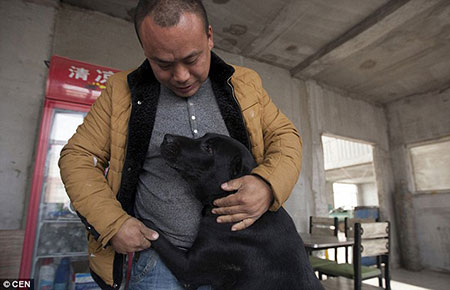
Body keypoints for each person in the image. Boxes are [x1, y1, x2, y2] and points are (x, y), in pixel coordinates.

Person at [59, 0, 302, 289]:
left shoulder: (245, 84)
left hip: (236, 267)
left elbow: (285, 137)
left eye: (192, 59)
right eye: (163, 63)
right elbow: (78, 157)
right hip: (154, 265)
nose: (181, 76)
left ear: (209, 37)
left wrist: (267, 183)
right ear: (146, 51)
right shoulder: (120, 92)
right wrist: (112, 223)